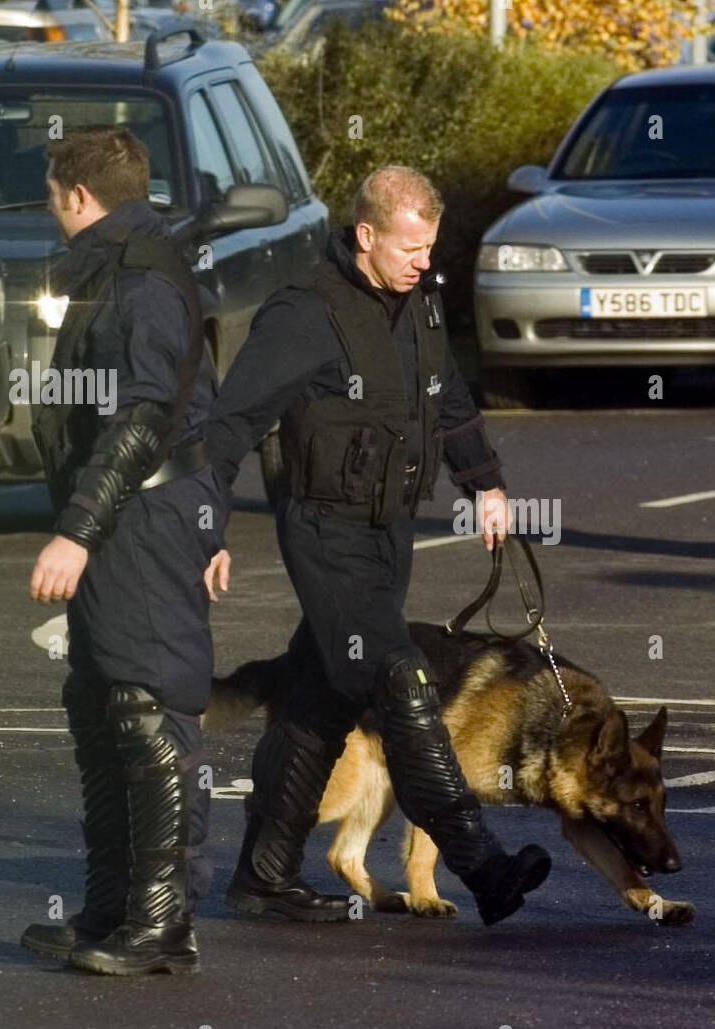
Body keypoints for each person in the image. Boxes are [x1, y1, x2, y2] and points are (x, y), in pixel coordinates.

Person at [204, 165, 551, 926]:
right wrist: (206, 525)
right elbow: (230, 421)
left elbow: (449, 400)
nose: (425, 260)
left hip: (390, 533)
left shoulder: (418, 302)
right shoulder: (305, 314)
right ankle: (484, 866)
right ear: (366, 236)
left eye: (431, 245)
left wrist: (485, 485)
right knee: (402, 681)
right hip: (325, 533)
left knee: (316, 697)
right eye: (411, 245)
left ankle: (262, 875)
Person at [20, 126, 228, 974]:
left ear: (76, 196)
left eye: (48, 193)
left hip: (140, 518)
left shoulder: (142, 276)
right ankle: (111, 909)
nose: (47, 208)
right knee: (102, 704)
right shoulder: (124, 262)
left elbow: (150, 414)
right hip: (145, 514)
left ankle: (162, 925)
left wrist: (78, 529)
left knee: (150, 710)